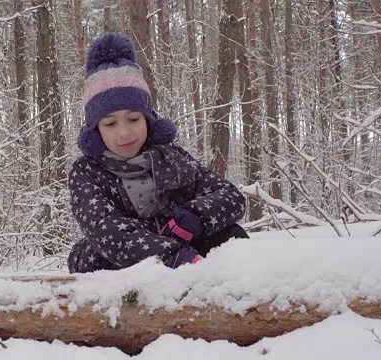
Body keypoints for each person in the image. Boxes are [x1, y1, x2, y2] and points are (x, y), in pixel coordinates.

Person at [67, 33, 248, 274]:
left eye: (133, 119)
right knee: (91, 255)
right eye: (110, 124)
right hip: (126, 261)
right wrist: (171, 256)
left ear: (148, 119)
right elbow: (104, 228)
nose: (124, 133)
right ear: (95, 130)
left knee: (231, 234)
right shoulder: (87, 172)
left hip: (184, 247)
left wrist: (195, 216)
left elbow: (230, 196)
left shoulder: (171, 156)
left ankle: (240, 296)